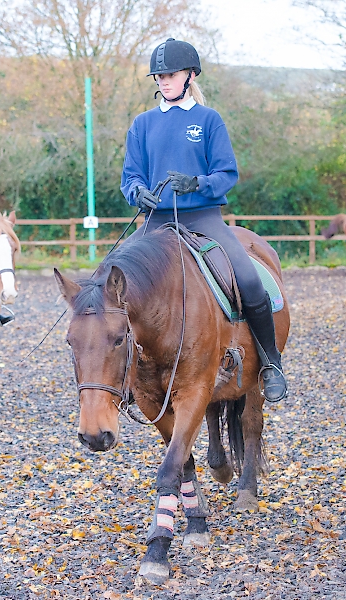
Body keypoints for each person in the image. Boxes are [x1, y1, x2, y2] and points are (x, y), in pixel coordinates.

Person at [120, 38, 287, 402]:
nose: (163, 81)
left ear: (190, 75)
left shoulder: (208, 120)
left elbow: (228, 173)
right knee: (112, 283)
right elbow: (129, 176)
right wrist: (138, 193)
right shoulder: (142, 124)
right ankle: (124, 374)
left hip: (203, 217)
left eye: (171, 74)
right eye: (159, 76)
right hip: (155, 223)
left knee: (246, 276)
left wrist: (199, 183)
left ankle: (271, 363)